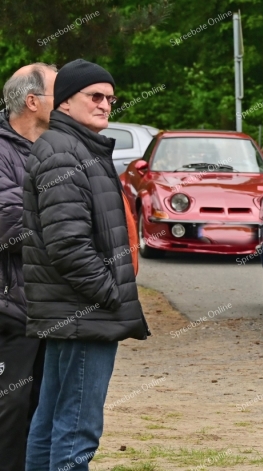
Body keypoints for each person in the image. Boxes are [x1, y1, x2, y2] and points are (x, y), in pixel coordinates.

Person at [23, 59, 149, 471]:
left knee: (52, 419)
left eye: (110, 98)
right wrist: (109, 295)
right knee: (76, 429)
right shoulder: (64, 152)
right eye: (94, 96)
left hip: (74, 312)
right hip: (82, 313)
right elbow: (68, 245)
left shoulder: (76, 147)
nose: (105, 105)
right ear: (64, 103)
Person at [0, 62, 56, 471]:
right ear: (32, 100)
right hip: (10, 311)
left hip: (54, 309)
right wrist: (64, 220)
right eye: (60, 92)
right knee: (11, 408)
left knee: (46, 408)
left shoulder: (59, 147)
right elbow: (6, 223)